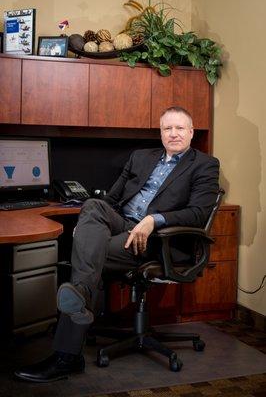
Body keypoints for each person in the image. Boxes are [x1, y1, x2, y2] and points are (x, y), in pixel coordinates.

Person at [14, 106, 220, 382]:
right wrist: (87, 227)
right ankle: (82, 296)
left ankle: (67, 356)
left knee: (86, 256)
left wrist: (153, 220)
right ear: (160, 133)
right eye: (167, 128)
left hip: (158, 238)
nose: (173, 134)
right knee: (93, 206)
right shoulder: (141, 157)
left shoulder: (204, 164)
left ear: (191, 132)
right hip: (123, 225)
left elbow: (199, 212)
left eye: (180, 128)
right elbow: (110, 201)